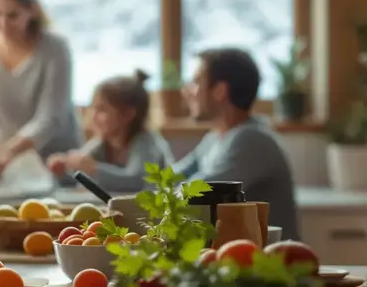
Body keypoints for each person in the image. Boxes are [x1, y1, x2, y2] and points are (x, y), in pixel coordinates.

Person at [172, 47, 299, 240]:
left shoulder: (251, 140)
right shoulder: (215, 138)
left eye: (196, 82)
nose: (186, 91)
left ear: (220, 90)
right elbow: (173, 177)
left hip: (272, 263)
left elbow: (194, 193)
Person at [0, 0, 83, 171]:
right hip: (9, 166)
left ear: (32, 11)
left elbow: (50, 117)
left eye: (13, 15)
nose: (3, 25)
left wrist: (11, 150)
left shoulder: (55, 49)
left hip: (55, 161)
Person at [47, 70, 175, 193]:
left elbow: (136, 181)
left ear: (127, 114)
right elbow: (81, 182)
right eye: (93, 108)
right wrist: (64, 171)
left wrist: (93, 168)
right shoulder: (101, 145)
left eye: (101, 110)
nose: (93, 117)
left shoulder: (146, 144)